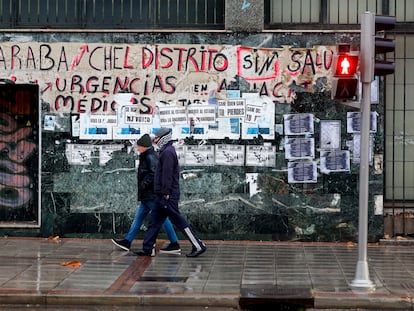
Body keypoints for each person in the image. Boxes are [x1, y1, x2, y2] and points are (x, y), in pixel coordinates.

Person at [133, 128, 207, 257]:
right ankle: (148, 248)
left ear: (163, 138)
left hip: (167, 194)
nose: (154, 140)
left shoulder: (167, 152)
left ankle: (198, 245)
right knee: (154, 221)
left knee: (178, 220)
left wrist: (166, 192)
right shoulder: (165, 151)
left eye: (156, 138)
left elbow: (167, 174)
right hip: (161, 194)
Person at [112, 133, 181, 254]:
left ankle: (174, 243)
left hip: (151, 194)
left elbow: (154, 174)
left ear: (144, 146)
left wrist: (144, 184)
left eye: (139, 146)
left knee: (162, 219)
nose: (137, 148)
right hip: (147, 195)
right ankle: (127, 241)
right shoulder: (146, 155)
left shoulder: (150, 157)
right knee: (138, 218)